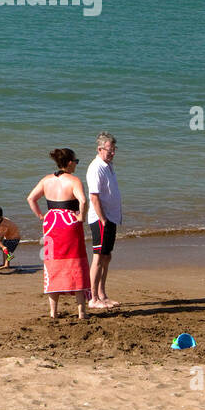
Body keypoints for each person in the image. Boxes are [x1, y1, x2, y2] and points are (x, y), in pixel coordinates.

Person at [27, 148, 90, 319]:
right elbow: (83, 201)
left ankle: (53, 312)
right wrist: (81, 217)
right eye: (76, 162)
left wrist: (41, 216)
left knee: (52, 263)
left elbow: (31, 198)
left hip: (51, 224)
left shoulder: (46, 180)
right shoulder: (74, 180)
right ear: (69, 163)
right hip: (70, 222)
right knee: (76, 264)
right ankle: (81, 312)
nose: (76, 165)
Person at [85, 132, 121, 309]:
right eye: (109, 150)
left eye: (114, 149)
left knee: (107, 257)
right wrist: (103, 219)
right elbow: (93, 197)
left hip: (110, 218)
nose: (112, 152)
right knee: (98, 258)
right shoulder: (96, 167)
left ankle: (102, 294)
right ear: (99, 149)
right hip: (101, 219)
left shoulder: (108, 164)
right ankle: (93, 298)